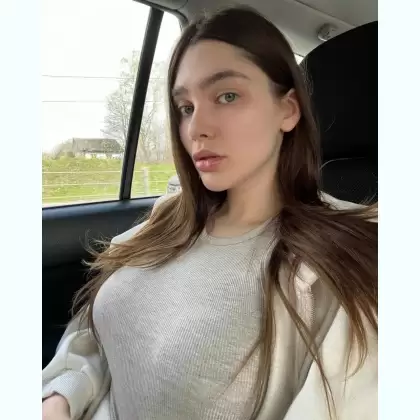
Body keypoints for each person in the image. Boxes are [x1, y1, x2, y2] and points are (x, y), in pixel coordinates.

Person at [42, 6, 377, 420]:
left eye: (227, 96)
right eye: (186, 106)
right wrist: (60, 397)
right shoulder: (168, 217)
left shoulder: (349, 259)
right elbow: (95, 334)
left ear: (288, 110)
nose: (196, 128)